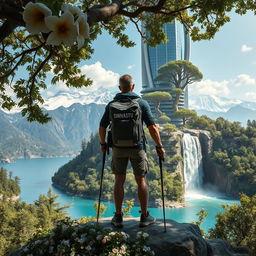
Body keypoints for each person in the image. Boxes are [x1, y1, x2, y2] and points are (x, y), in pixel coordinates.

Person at [99, 74, 165, 228]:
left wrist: (103, 144)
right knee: (141, 180)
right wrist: (159, 146)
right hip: (137, 148)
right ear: (133, 87)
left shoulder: (111, 105)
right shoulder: (141, 103)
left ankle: (118, 216)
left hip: (117, 149)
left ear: (119, 88)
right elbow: (152, 127)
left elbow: (102, 127)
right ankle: (144, 216)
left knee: (119, 180)